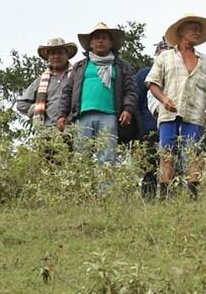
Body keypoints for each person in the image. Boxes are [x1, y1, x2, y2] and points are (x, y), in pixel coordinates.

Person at [146, 14, 206, 197]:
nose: (197, 31)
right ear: (181, 31)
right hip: (169, 113)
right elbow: (152, 82)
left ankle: (192, 195)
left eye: (199, 29)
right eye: (193, 28)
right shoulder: (165, 57)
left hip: (195, 114)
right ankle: (165, 195)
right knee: (167, 153)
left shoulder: (204, 60)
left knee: (193, 153)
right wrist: (164, 99)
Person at [56, 23, 137, 166]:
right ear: (90, 44)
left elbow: (130, 90)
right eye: (97, 38)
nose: (100, 41)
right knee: (81, 156)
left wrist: (128, 110)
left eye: (104, 38)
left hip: (110, 115)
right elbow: (67, 92)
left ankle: (105, 189)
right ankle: (82, 188)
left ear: (111, 43)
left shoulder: (121, 66)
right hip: (82, 116)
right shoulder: (80, 66)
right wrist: (62, 115)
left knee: (107, 158)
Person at [134, 38, 171, 199]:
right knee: (149, 167)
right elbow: (135, 101)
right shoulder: (145, 73)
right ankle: (147, 202)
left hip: (170, 127)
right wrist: (139, 129)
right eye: (161, 53)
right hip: (148, 130)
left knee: (170, 164)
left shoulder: (177, 75)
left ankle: (168, 198)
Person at [16, 38, 78, 128]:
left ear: (67, 55)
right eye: (53, 53)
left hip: (73, 126)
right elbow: (21, 104)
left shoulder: (76, 75)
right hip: (48, 129)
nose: (56, 56)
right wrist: (39, 107)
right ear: (48, 58)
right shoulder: (41, 81)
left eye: (60, 53)